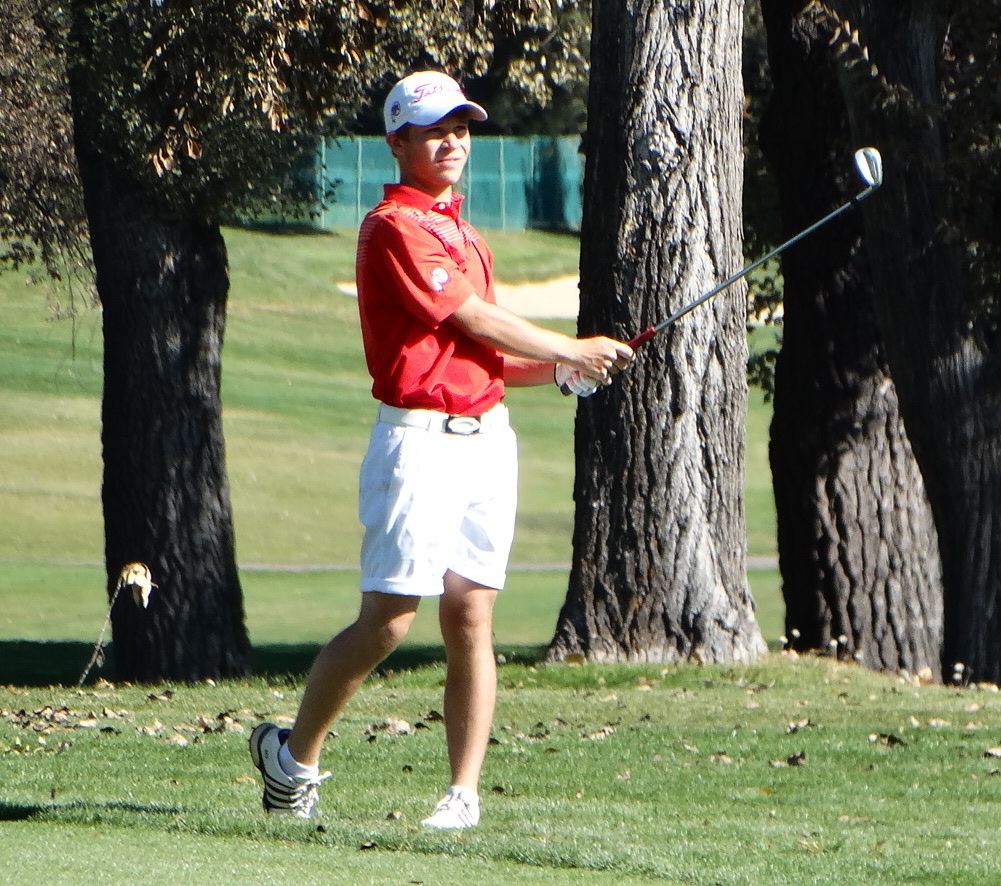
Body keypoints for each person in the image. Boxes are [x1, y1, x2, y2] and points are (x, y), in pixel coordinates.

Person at [249, 70, 634, 829]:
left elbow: (487, 357)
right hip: (418, 442)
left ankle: (462, 796)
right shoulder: (394, 227)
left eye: (460, 128)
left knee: (470, 616)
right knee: (390, 620)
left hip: (487, 442)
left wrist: (563, 370)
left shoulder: (466, 234)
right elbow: (472, 318)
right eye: (434, 131)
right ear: (397, 143)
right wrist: (569, 345)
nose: (452, 141)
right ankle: (293, 758)